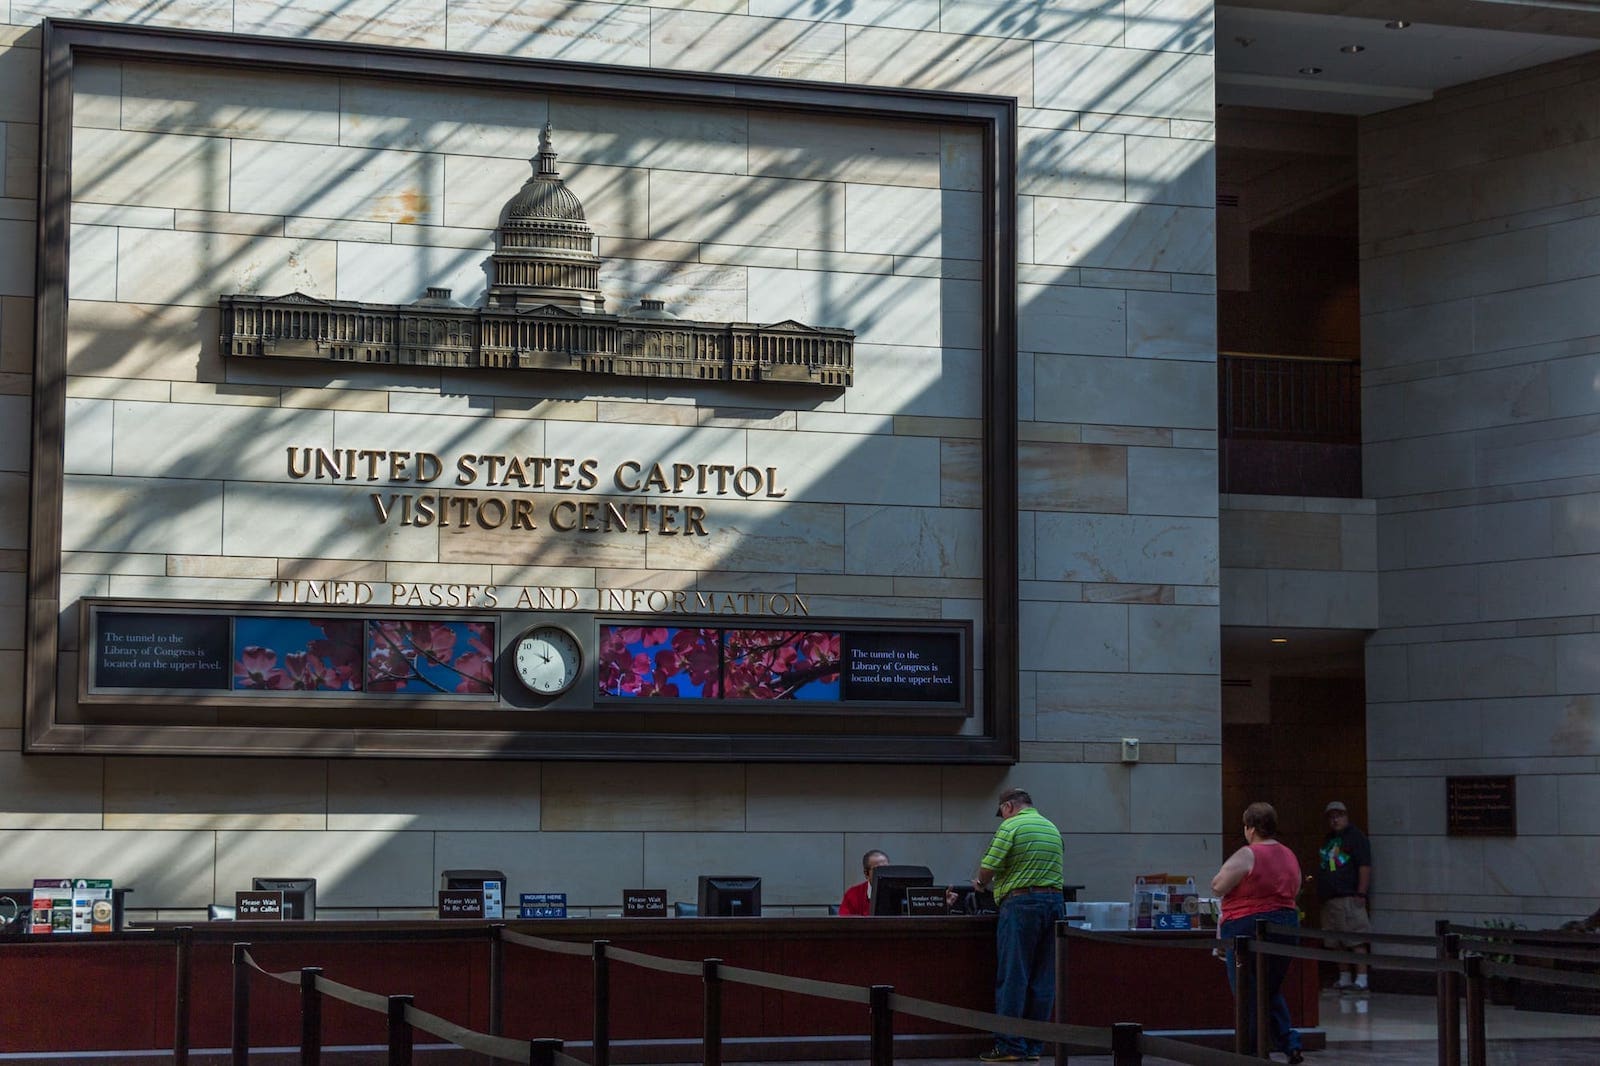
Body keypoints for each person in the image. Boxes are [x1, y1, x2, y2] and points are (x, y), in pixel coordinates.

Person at [970, 787, 1064, 1063]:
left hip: (1022, 905)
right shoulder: (1051, 827)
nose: (1001, 818)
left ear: (1008, 807)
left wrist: (980, 883)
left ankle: (1010, 1045)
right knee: (1044, 979)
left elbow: (988, 868)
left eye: (1001, 813)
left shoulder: (1011, 826)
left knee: (1014, 975)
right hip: (1055, 904)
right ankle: (1034, 1046)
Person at [1211, 801, 1304, 1065]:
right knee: (1269, 988)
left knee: (1246, 989)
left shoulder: (1248, 853)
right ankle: (1290, 1044)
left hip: (1245, 927)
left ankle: (1248, 1050)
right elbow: (1296, 888)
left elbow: (1218, 885)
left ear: (1250, 828)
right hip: (1286, 925)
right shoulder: (1289, 855)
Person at [1316, 800, 1372, 990]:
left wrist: (1360, 893)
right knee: (1336, 942)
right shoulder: (1329, 839)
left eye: (1338, 815)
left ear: (1346, 816)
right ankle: (1345, 977)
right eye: (1331, 817)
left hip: (1348, 897)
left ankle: (1362, 979)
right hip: (1329, 899)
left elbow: (1364, 866)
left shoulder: (1356, 838)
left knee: (1355, 939)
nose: (1335, 820)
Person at [839, 849, 891, 916]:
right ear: (866, 874)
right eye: (878, 870)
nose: (884, 873)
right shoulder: (853, 895)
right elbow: (844, 923)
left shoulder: (898, 893)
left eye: (886, 869)